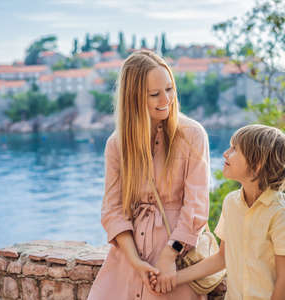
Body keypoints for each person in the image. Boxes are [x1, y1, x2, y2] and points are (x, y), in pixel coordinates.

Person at [87, 50, 210, 300]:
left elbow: (196, 207)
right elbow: (112, 211)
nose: (165, 99)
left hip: (178, 252)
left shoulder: (192, 135)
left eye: (169, 89)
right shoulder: (116, 145)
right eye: (154, 94)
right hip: (129, 256)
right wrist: (135, 261)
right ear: (133, 98)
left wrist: (168, 256)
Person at [150, 124, 285, 300]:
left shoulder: (281, 214)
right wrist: (173, 278)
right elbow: (221, 258)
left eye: (234, 149)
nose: (225, 153)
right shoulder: (231, 203)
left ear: (258, 164)